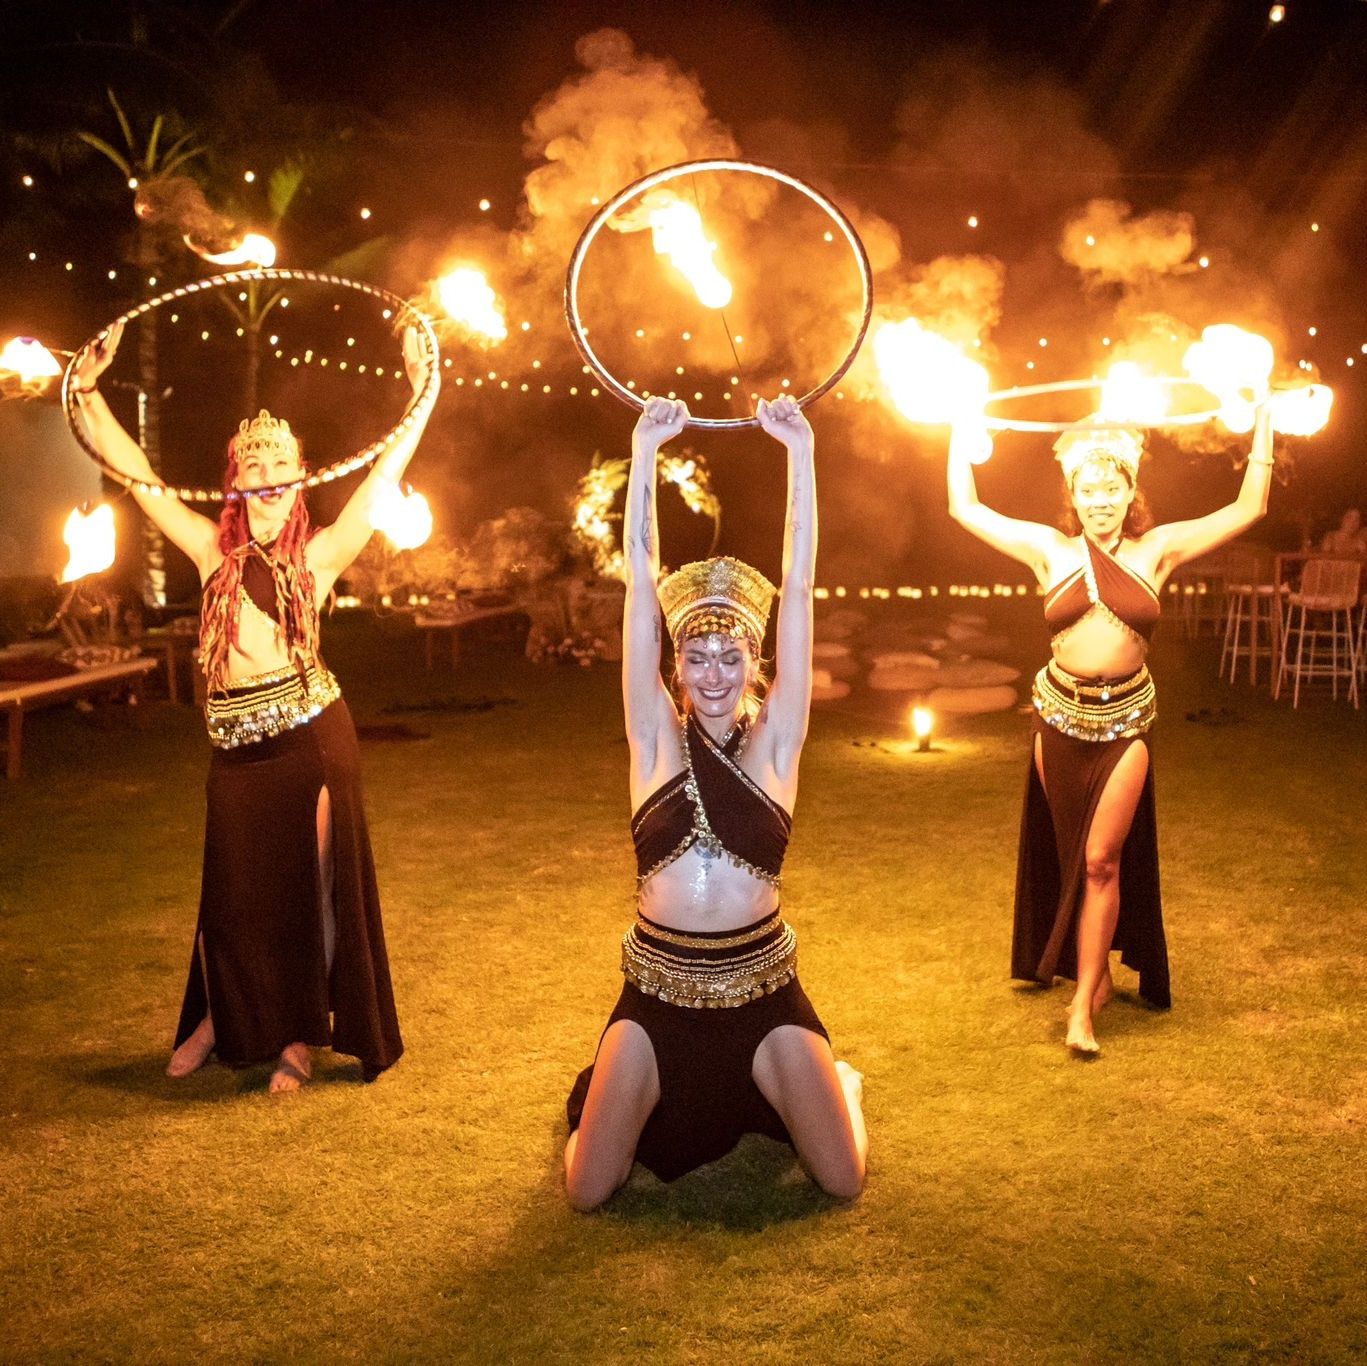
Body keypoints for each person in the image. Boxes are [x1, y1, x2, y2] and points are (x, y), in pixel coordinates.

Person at [69, 318, 437, 1091]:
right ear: (235, 479)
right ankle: (217, 1020)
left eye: (279, 461)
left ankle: (299, 1039)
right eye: (252, 461)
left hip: (313, 736)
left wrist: (421, 379)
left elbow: (382, 473)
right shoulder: (210, 552)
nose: (266, 472)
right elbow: (138, 477)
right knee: (233, 897)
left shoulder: (318, 556)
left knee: (308, 889)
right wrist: (90, 390)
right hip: (237, 748)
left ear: (300, 476)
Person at [564, 394, 866, 1208]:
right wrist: (644, 452)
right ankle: (619, 1100)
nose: (711, 676)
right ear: (677, 665)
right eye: (695, 658)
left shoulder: (776, 746)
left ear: (752, 660)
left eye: (728, 657)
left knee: (843, 1180)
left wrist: (798, 454)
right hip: (656, 991)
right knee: (587, 1191)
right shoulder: (653, 742)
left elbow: (799, 587)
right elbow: (637, 590)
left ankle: (840, 1085)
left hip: (763, 994)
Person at [947, 406, 1274, 1054]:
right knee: (1073, 855)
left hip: (1127, 722)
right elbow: (965, 507)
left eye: (1111, 488)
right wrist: (960, 421)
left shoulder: (1159, 549)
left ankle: (1081, 1010)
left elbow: (1247, 508)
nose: (1100, 501)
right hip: (1057, 719)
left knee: (1101, 860)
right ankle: (1090, 976)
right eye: (1087, 490)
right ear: (1072, 493)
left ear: (1130, 491)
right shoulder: (1049, 549)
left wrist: (1261, 417)